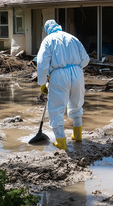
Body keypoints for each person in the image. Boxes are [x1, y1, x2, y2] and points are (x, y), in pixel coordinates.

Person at [36, 19, 90, 150]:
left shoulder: (48, 40)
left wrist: (42, 83)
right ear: (58, 27)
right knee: (77, 104)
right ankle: (77, 135)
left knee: (56, 108)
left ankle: (61, 141)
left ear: (47, 30)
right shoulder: (72, 38)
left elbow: (42, 63)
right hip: (78, 73)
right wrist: (74, 67)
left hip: (59, 75)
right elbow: (86, 59)